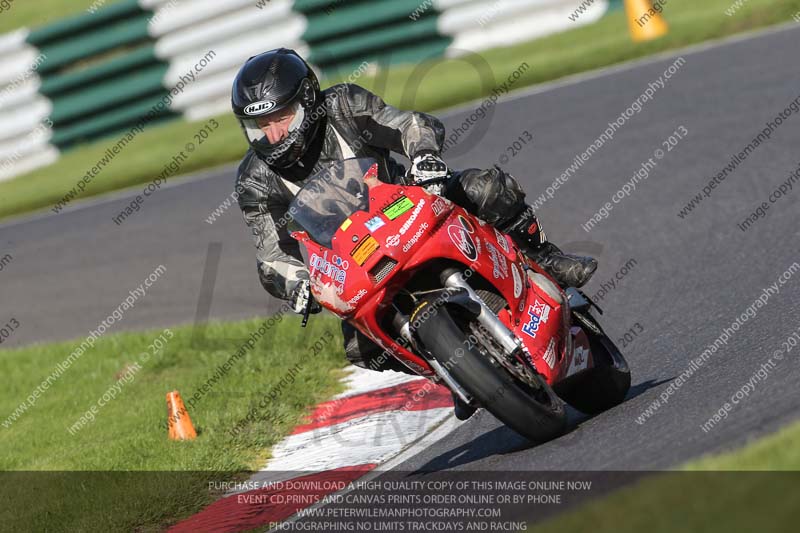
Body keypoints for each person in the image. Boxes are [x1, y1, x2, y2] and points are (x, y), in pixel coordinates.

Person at [232, 48, 597, 419]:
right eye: (261, 127)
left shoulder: (342, 105)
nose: (274, 135)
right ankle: (453, 371)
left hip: (410, 205)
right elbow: (270, 257)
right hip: (354, 260)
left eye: (282, 118)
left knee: (483, 188)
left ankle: (545, 258)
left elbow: (409, 124)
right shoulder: (254, 181)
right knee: (361, 349)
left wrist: (424, 156)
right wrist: (297, 284)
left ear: (307, 103)